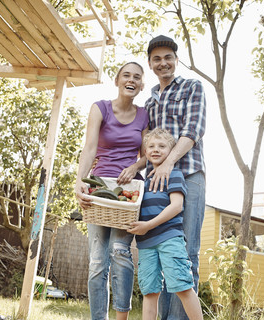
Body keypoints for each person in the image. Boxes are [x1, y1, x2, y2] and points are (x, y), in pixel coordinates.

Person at [74, 62, 149, 320]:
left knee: (120, 251)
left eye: (136, 77)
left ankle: (122, 318)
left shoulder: (144, 115)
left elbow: (147, 154)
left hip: (129, 191)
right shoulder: (100, 108)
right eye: (126, 75)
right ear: (117, 80)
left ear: (141, 85)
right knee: (97, 260)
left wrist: (135, 165)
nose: (131, 80)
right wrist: (80, 181)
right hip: (100, 188)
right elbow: (90, 148)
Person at [144, 35, 206, 320]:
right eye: (156, 59)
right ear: (151, 64)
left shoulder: (192, 87)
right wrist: (137, 167)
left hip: (189, 173)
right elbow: (149, 144)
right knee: (162, 252)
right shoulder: (150, 101)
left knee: (186, 251)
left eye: (168, 57)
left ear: (176, 60)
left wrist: (169, 163)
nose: (163, 63)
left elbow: (193, 130)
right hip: (157, 183)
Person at [128, 128, 203, 320]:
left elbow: (176, 206)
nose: (156, 149)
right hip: (145, 244)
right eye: (151, 146)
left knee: (183, 286)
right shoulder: (142, 183)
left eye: (162, 146)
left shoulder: (174, 174)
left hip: (169, 239)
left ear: (170, 152)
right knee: (150, 292)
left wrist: (148, 225)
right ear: (145, 152)